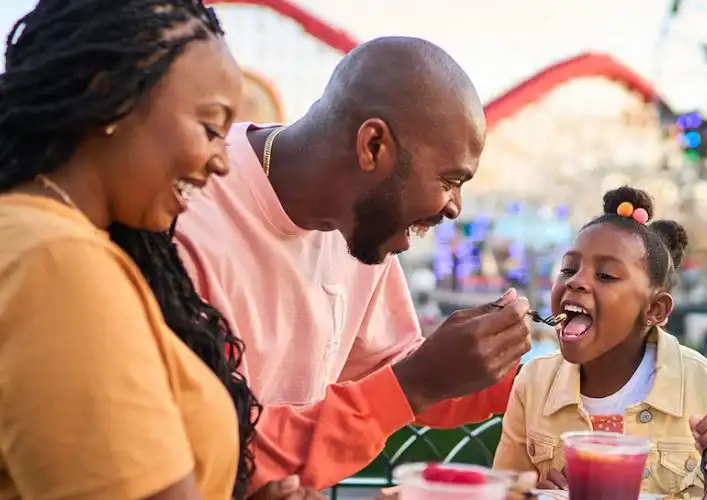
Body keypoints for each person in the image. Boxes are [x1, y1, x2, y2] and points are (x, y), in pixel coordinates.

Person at [173, 36, 531, 490]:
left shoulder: (361, 224)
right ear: (374, 145)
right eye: (449, 179)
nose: (454, 207)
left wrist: (545, 378)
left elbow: (387, 371)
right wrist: (415, 382)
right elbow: (211, 454)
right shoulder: (185, 216)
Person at [0, 1, 314, 499]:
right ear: (109, 96)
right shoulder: (56, 262)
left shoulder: (40, 238)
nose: (222, 163)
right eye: (211, 128)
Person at [492, 187, 707, 498]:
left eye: (605, 275)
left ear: (654, 310)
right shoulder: (534, 382)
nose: (576, 281)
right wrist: (535, 494)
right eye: (568, 268)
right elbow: (506, 488)